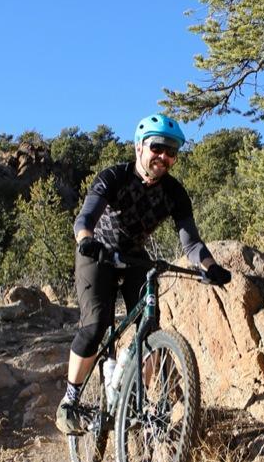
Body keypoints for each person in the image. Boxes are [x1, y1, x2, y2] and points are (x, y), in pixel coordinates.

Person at [55, 113, 232, 435]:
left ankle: (133, 401)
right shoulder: (114, 177)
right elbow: (85, 219)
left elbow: (190, 241)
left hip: (135, 258)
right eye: (157, 148)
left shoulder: (174, 192)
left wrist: (211, 267)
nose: (164, 157)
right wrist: (86, 242)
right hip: (98, 254)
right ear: (139, 147)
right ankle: (69, 401)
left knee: (149, 329)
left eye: (172, 152)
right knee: (96, 326)